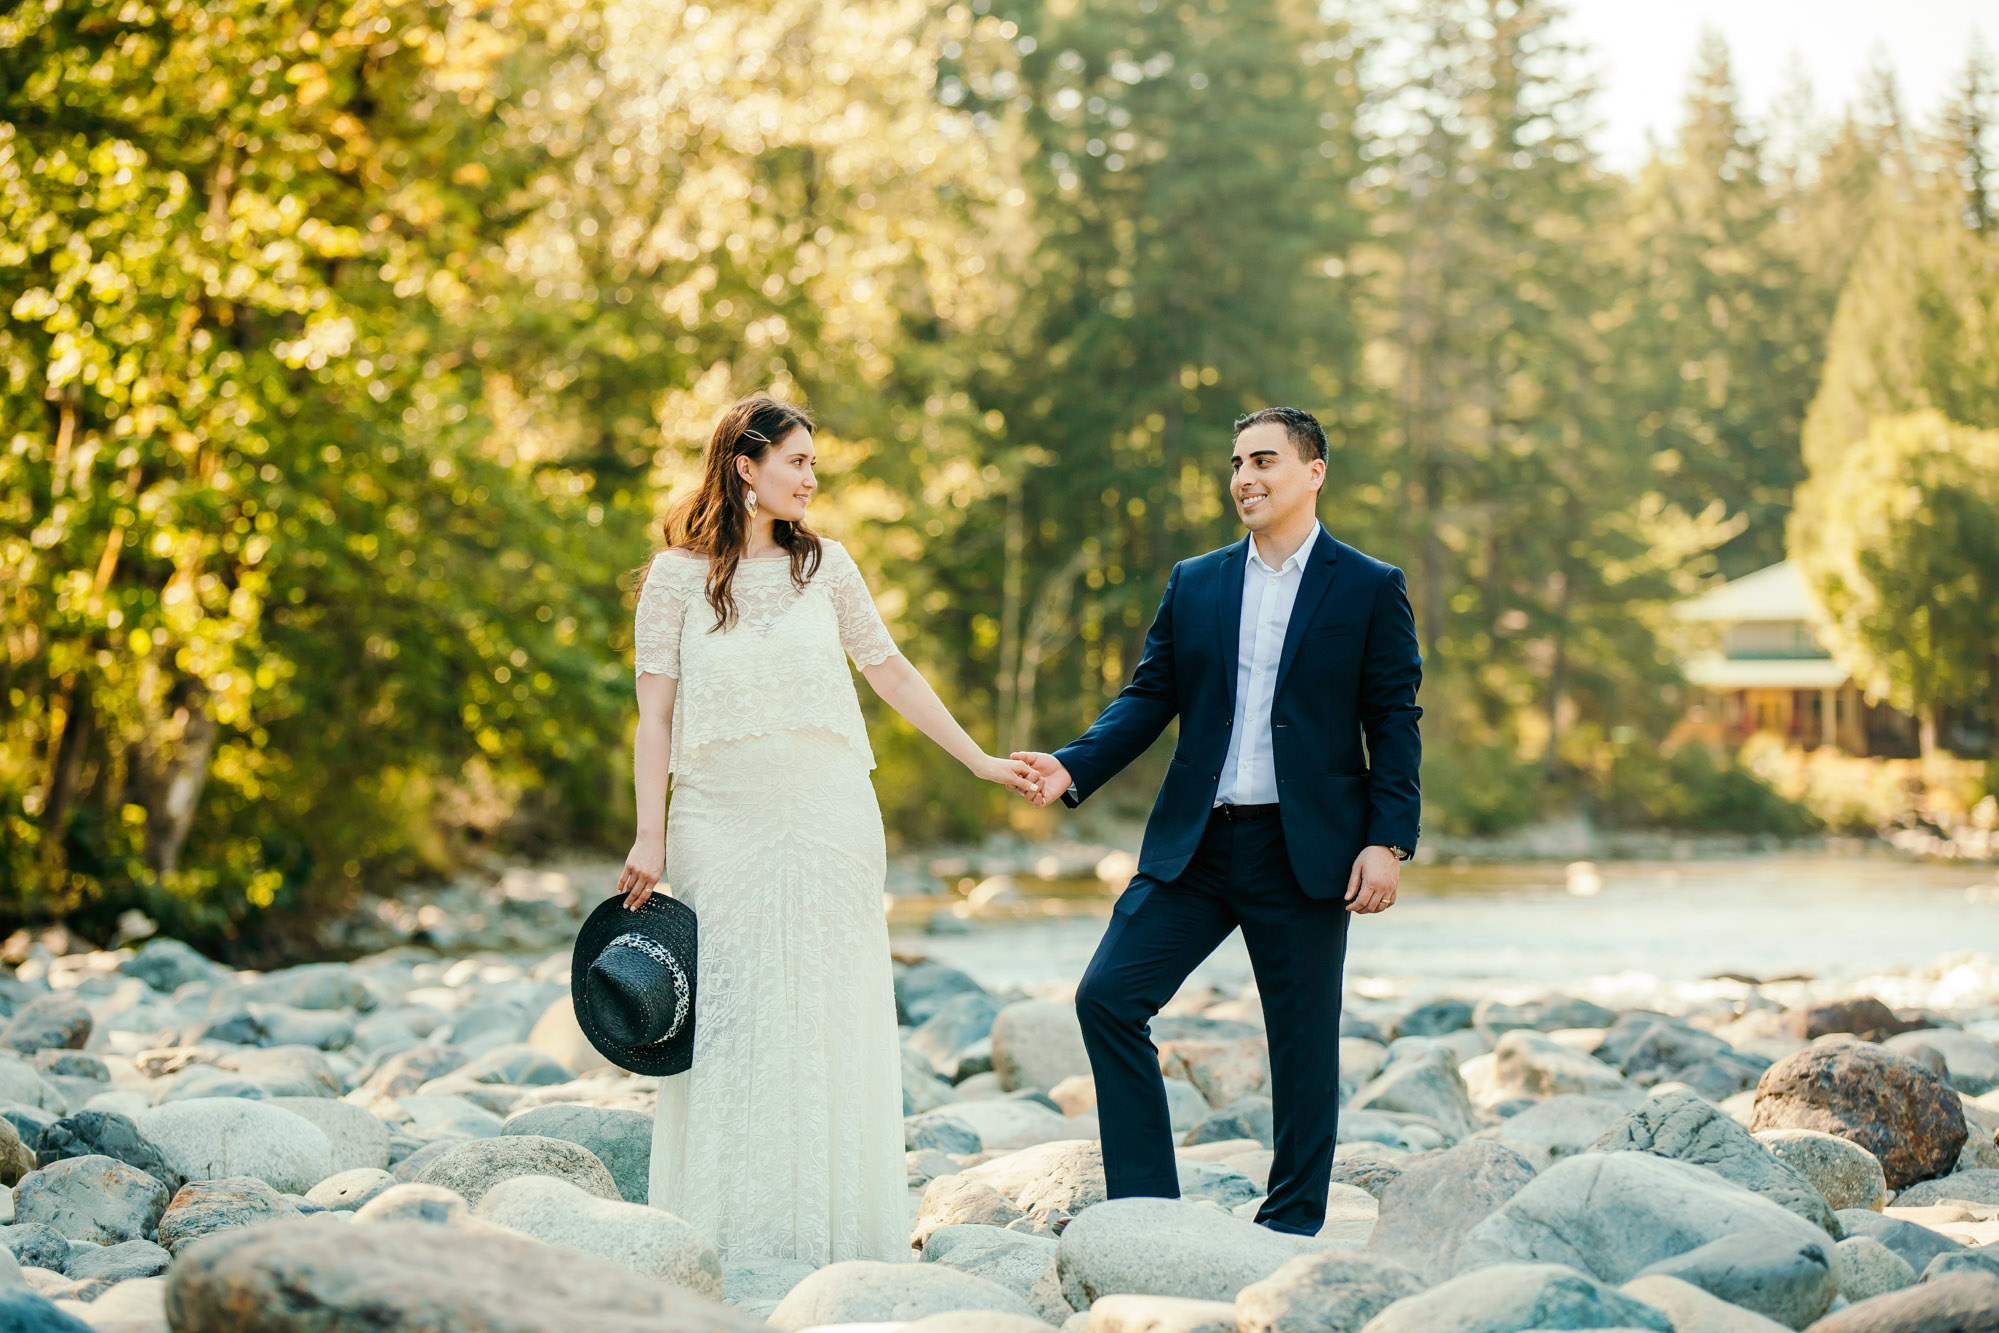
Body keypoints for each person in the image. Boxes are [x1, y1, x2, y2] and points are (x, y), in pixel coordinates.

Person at [619, 391, 1038, 1265]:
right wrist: (647, 837)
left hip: (830, 811)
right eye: (797, 461)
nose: (812, 477)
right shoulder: (672, 579)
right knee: (731, 1013)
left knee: (826, 1008)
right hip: (717, 817)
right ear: (745, 466)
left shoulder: (827, 566)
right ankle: (723, 1233)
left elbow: (889, 672)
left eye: (813, 462)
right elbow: (653, 718)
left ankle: (840, 1239)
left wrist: (978, 760)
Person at [1011, 405, 1423, 1238]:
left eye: (1264, 460)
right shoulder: (1195, 581)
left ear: (1313, 472)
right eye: (1236, 462)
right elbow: (1148, 696)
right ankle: (1145, 1212)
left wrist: (1387, 839)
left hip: (1305, 848)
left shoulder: (1369, 585)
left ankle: (1288, 1227)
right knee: (1108, 997)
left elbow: (1394, 718)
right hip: (1195, 843)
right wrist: (1071, 764)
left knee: (1303, 1046)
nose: (1244, 477)